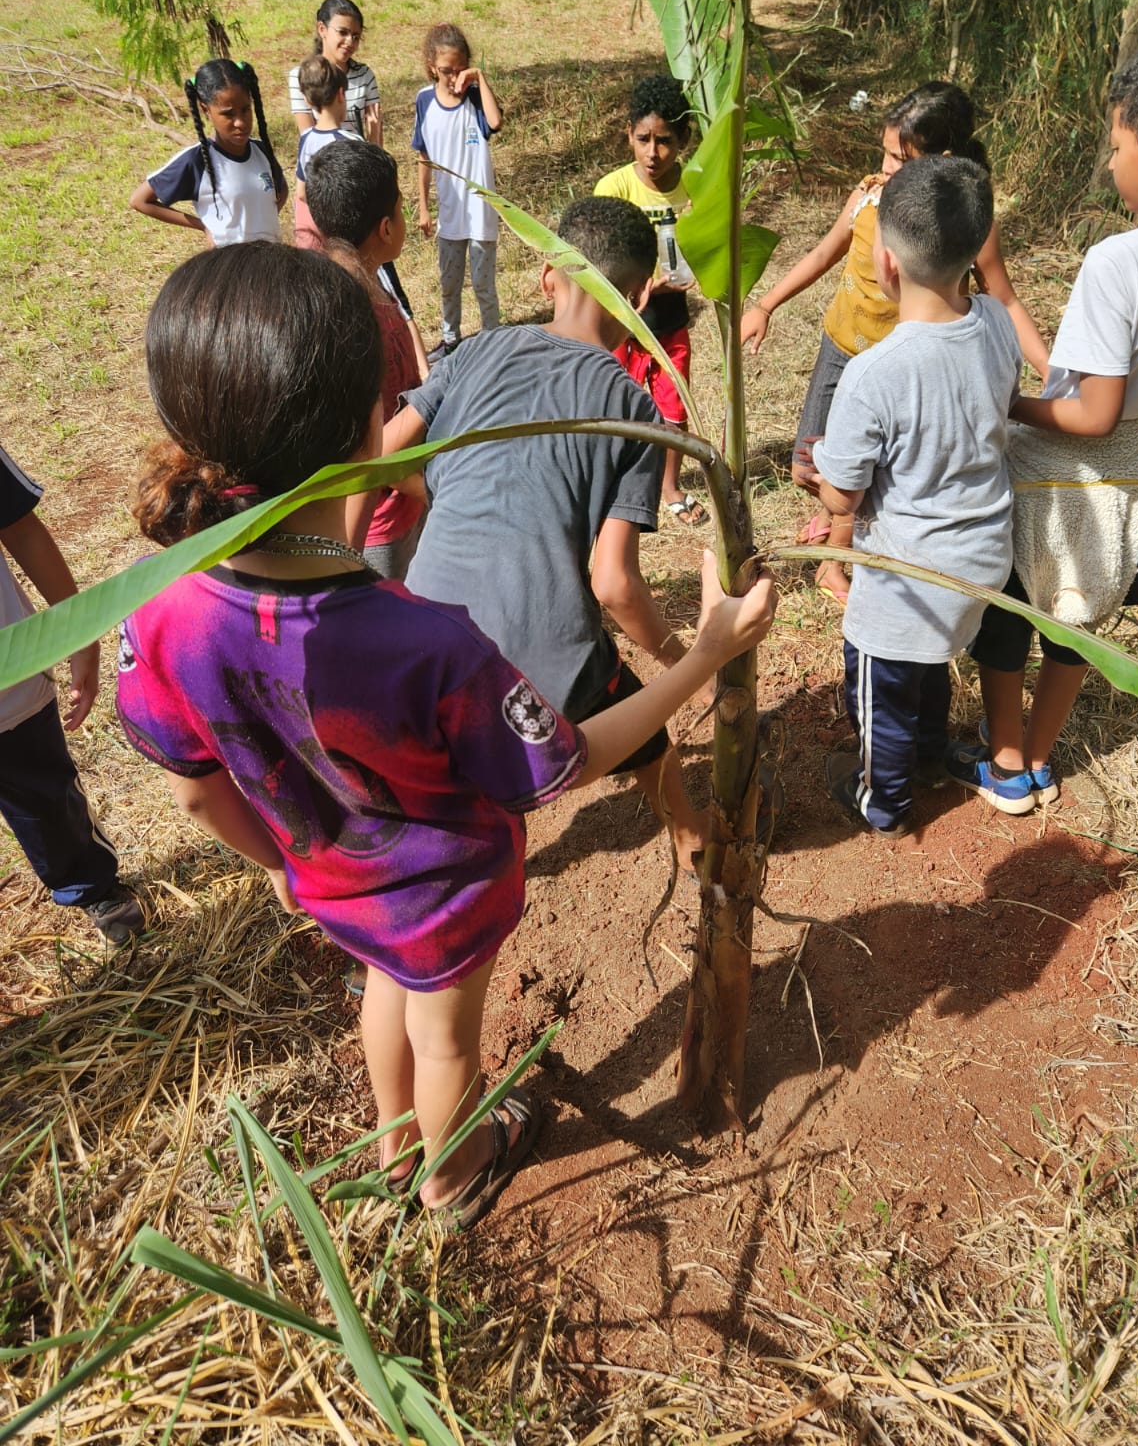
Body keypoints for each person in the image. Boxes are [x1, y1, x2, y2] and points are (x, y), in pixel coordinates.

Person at [115, 242, 775, 1227]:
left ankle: (392, 1149)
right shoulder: (428, 644)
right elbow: (567, 760)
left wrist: (291, 866)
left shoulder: (158, 618)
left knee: (387, 986)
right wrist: (703, 656)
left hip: (333, 881)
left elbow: (195, 791)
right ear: (370, 426)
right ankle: (452, 1172)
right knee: (450, 1039)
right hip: (447, 893)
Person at [388, 195, 721, 874]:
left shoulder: (477, 349)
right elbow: (614, 585)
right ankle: (690, 834)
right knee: (642, 727)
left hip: (418, 645)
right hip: (535, 668)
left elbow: (384, 462)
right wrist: (685, 659)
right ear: (642, 295)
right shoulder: (633, 408)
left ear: (547, 278)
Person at [950, 31, 1138, 815]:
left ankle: (1005, 757)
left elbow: (1089, 412)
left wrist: (1006, 403)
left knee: (1011, 609)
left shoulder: (1119, 261)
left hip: (1067, 473)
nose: (1112, 160)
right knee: (1077, 620)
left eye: (1117, 143)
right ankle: (1044, 756)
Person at [742, 82, 1047, 603]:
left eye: (899, 158)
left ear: (940, 160)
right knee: (808, 465)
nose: (885, 167)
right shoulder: (866, 195)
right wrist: (766, 304)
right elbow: (822, 255)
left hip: (900, 371)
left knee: (863, 478)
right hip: (841, 349)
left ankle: (837, 560)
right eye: (883, 152)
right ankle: (837, 520)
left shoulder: (961, 224)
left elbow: (1005, 298)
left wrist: (1052, 369)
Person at [813, 156, 1021, 837]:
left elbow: (843, 496)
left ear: (888, 264)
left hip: (907, 581)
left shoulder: (874, 373)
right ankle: (933, 757)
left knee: (881, 692)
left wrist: (829, 486)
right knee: (928, 670)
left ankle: (884, 800)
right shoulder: (993, 321)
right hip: (983, 561)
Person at [0, 444, 143, 946]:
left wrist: (81, 633)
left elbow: (19, 525)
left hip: (7, 682)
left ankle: (87, 882)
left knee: (43, 798)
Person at [305, 139, 426, 578]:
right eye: (400, 207)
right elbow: (369, 447)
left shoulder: (337, 295)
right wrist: (431, 489)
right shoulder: (361, 318)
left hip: (381, 510)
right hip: (384, 523)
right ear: (386, 227)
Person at [595, 75, 706, 526]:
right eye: (643, 139)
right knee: (615, 402)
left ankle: (669, 486)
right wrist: (641, 284)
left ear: (683, 141)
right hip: (623, 317)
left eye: (664, 141)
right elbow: (599, 255)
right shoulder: (615, 187)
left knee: (673, 406)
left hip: (672, 317)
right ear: (629, 135)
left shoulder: (695, 188)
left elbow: (707, 244)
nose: (652, 153)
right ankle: (610, 481)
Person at [412, 23, 503, 355]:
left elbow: (495, 123)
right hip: (450, 213)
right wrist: (423, 206)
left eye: (460, 69)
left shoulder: (476, 99)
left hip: (480, 211)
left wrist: (479, 78)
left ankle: (493, 341)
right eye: (446, 71)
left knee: (483, 285)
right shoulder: (424, 101)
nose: (454, 78)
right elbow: (423, 156)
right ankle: (450, 338)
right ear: (433, 66)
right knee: (449, 283)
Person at [130, 59, 287, 247]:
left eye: (245, 110)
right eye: (228, 114)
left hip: (271, 263)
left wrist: (265, 220)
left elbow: (282, 189)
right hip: (228, 267)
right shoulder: (196, 161)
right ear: (206, 110)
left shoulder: (262, 151)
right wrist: (203, 226)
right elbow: (140, 200)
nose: (240, 122)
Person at [288, 0, 381, 143]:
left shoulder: (365, 75)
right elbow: (308, 137)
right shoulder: (300, 77)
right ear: (322, 29)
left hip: (360, 159)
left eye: (356, 36)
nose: (350, 41)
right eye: (343, 32)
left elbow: (375, 132)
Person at [292, 55, 357, 252]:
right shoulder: (350, 142)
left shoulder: (306, 138)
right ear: (340, 94)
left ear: (307, 100)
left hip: (312, 239)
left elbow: (301, 193)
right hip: (343, 240)